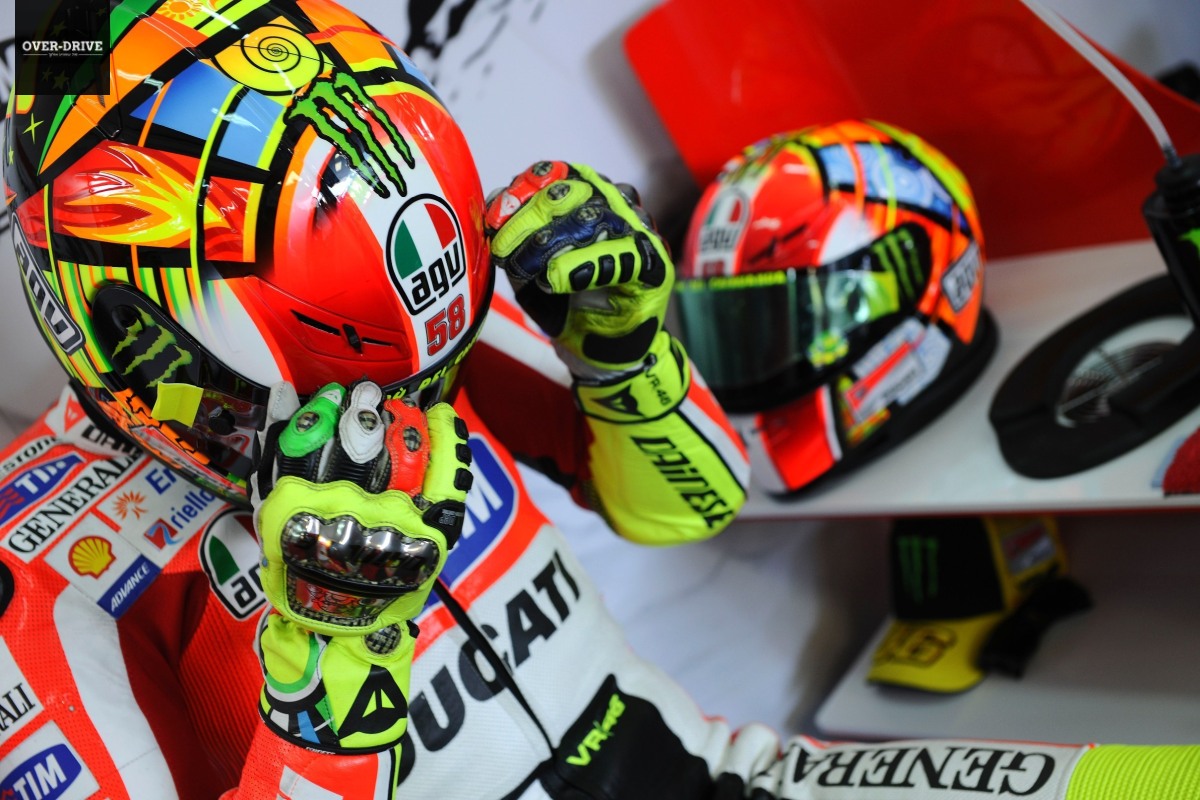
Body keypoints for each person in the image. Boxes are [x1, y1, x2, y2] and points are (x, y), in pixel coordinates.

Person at [0, 1, 1194, 798]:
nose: (395, 410)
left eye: (421, 369)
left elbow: (692, 504)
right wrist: (328, 679)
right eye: (342, 374)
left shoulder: (430, 327)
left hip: (729, 768)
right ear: (131, 326)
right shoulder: (45, 570)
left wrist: (628, 356)